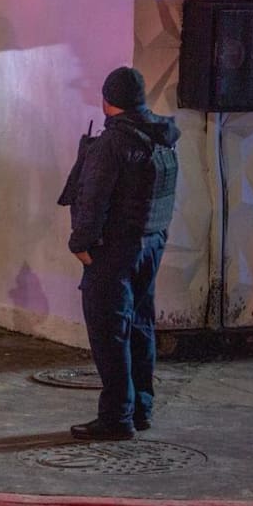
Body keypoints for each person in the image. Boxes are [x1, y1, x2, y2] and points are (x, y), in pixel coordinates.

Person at [63, 66, 180, 441]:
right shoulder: (162, 135)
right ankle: (140, 408)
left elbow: (92, 201)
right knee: (140, 328)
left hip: (114, 251)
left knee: (110, 335)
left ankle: (116, 417)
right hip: (150, 243)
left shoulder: (111, 145)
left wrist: (80, 245)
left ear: (107, 101)